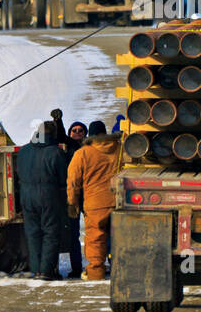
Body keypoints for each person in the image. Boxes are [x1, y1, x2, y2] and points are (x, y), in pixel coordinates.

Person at [67, 120, 122, 281]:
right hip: (119, 202)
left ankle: (96, 274)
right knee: (121, 238)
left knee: (95, 239)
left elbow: (73, 181)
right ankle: (121, 272)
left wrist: (73, 203)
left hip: (95, 204)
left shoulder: (83, 153)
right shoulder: (120, 149)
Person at [15, 119, 69, 280]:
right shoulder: (55, 152)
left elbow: (19, 173)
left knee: (32, 233)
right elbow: (63, 178)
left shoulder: (23, 151)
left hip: (27, 196)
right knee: (50, 232)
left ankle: (36, 269)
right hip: (48, 196)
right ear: (53, 134)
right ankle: (46, 271)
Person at [61, 119, 88, 278]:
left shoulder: (89, 149)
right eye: (74, 130)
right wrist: (59, 121)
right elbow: (60, 135)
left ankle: (97, 264)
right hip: (73, 196)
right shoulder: (68, 146)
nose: (77, 132)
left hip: (88, 195)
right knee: (73, 234)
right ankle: (76, 267)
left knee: (94, 232)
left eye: (80, 130)